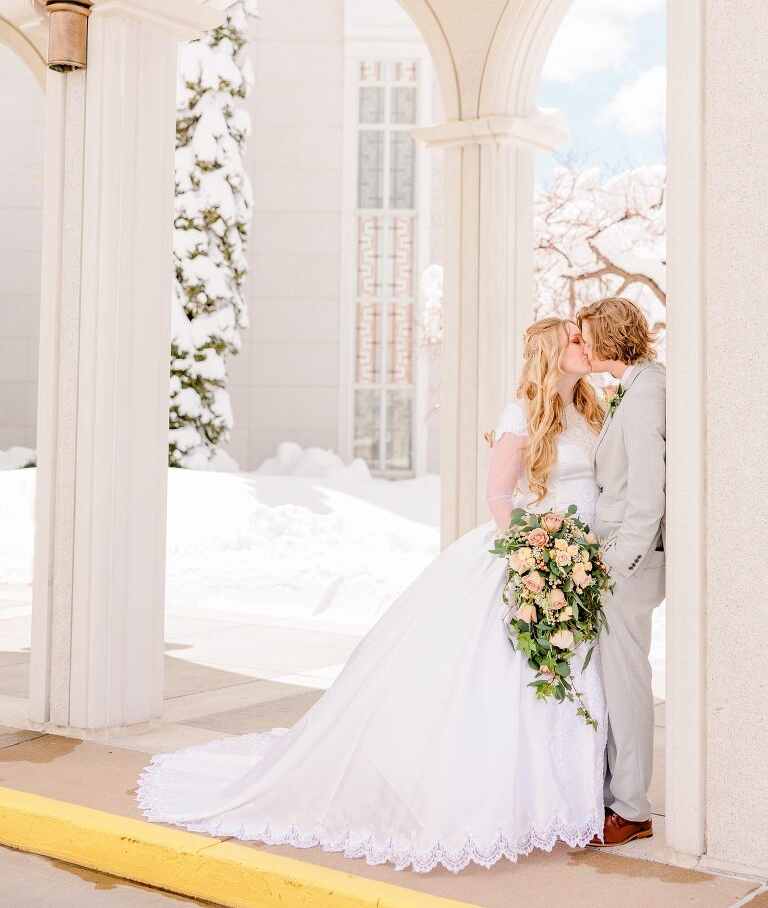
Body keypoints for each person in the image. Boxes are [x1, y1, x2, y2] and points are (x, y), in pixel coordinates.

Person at [137, 317, 607, 874]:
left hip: (581, 563)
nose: (585, 344)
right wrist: (534, 551)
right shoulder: (520, 415)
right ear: (551, 352)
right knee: (508, 678)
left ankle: (572, 797)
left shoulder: (593, 408)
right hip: (535, 558)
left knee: (573, 677)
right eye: (575, 339)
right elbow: (499, 494)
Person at [577, 298, 666, 849]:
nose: (583, 347)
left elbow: (648, 491)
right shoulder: (633, 387)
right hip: (619, 559)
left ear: (609, 339)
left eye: (588, 337)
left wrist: (618, 559)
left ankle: (631, 808)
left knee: (629, 686)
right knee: (616, 681)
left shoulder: (644, 392)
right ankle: (616, 795)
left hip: (628, 565)